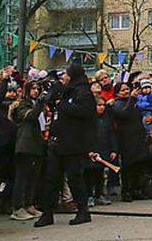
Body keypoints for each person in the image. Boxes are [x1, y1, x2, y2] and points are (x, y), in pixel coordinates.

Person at [35, 63, 97, 227]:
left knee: (74, 177)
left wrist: (61, 104)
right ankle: (47, 212)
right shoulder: (67, 91)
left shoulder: (83, 92)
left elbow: (83, 112)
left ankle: (83, 210)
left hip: (73, 142)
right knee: (51, 177)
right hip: (58, 140)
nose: (64, 78)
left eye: (66, 74)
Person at [9, 81, 47, 220]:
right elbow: (30, 117)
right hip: (25, 144)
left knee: (33, 177)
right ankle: (18, 207)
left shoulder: (35, 104)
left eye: (38, 89)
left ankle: (29, 204)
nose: (36, 91)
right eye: (33, 89)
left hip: (37, 143)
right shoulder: (22, 104)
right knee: (22, 177)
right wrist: (40, 103)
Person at [108, 81, 151, 201]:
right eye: (123, 90)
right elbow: (124, 114)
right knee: (128, 167)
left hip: (138, 137)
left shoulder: (133, 103)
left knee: (139, 165)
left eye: (127, 89)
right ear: (117, 92)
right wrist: (132, 98)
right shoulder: (116, 104)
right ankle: (126, 191)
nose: (126, 91)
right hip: (126, 139)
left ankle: (137, 189)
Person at [87, 97, 116, 206]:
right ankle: (89, 195)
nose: (102, 107)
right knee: (89, 174)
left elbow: (112, 134)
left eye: (103, 105)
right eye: (99, 105)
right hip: (91, 151)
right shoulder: (88, 120)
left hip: (104, 149)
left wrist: (114, 149)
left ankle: (99, 195)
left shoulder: (107, 119)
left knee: (100, 174)